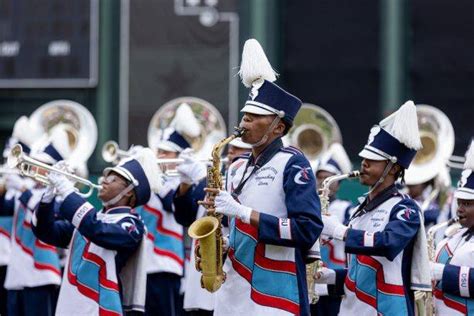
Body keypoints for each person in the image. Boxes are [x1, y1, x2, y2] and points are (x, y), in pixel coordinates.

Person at [202, 38, 322, 316]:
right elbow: (233, 230)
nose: (244, 121)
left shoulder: (293, 164)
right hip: (233, 290)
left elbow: (307, 230)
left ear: (278, 127)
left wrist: (244, 213)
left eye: (255, 117)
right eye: (245, 115)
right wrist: (219, 243)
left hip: (274, 292)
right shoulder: (234, 166)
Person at [318, 100, 431, 315]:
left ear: (393, 167)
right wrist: (332, 276)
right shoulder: (361, 209)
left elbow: (388, 244)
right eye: (364, 158)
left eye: (374, 160)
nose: (364, 164)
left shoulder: (405, 209)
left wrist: (339, 231)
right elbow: (362, 271)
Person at [32, 148, 161, 315]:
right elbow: (45, 231)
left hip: (101, 307)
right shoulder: (93, 219)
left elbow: (98, 231)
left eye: (113, 178)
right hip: (71, 306)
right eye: (105, 176)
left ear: (129, 191)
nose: (104, 181)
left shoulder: (132, 225)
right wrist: (48, 196)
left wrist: (67, 190)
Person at [172, 135, 251, 316]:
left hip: (228, 275)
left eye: (239, 148)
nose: (231, 151)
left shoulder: (248, 184)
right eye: (231, 148)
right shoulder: (219, 178)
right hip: (199, 278)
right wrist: (185, 185)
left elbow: (229, 219)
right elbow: (185, 218)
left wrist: (201, 178)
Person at [137, 102, 201, 316]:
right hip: (142, 262)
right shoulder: (155, 178)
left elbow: (173, 206)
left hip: (166, 262)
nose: (160, 156)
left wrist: (153, 176)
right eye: (160, 151)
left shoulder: (178, 183)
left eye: (166, 153)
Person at [4, 119, 69, 316]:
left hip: (42, 273)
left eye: (42, 164)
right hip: (17, 274)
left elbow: (46, 215)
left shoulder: (59, 193)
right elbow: (5, 209)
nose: (34, 168)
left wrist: (22, 188)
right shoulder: (27, 190)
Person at [430, 140, 474, 315]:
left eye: (468, 204)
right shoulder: (455, 234)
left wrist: (442, 273)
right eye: (459, 202)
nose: (460, 209)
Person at [311, 143, 353, 316]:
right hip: (311, 280)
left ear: (338, 183)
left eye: (328, 177)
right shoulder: (307, 207)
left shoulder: (346, 208)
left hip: (334, 279)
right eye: (320, 177)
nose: (323, 181)